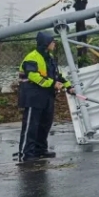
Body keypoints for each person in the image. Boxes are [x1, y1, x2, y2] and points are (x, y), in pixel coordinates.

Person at [17, 31, 72, 163]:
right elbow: (33, 76)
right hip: (33, 96)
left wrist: (68, 86)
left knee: (45, 124)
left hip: (47, 96)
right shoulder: (32, 57)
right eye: (52, 41)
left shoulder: (50, 57)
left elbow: (56, 75)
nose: (54, 44)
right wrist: (53, 84)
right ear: (46, 43)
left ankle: (40, 150)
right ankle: (27, 153)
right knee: (31, 125)